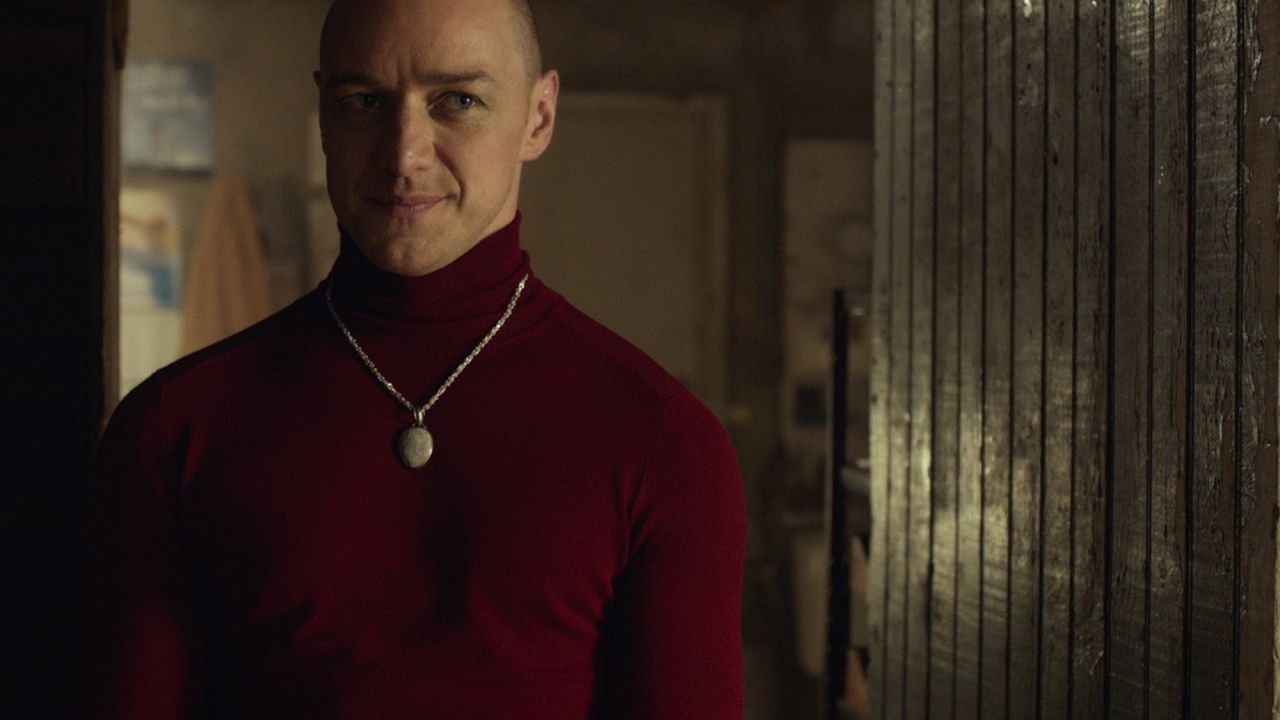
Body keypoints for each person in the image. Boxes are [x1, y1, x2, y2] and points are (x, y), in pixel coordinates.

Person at [72, 0, 746, 717]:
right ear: (325, 116)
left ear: (539, 116)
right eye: (364, 101)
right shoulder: (175, 427)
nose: (404, 155)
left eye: (458, 101)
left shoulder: (661, 441)